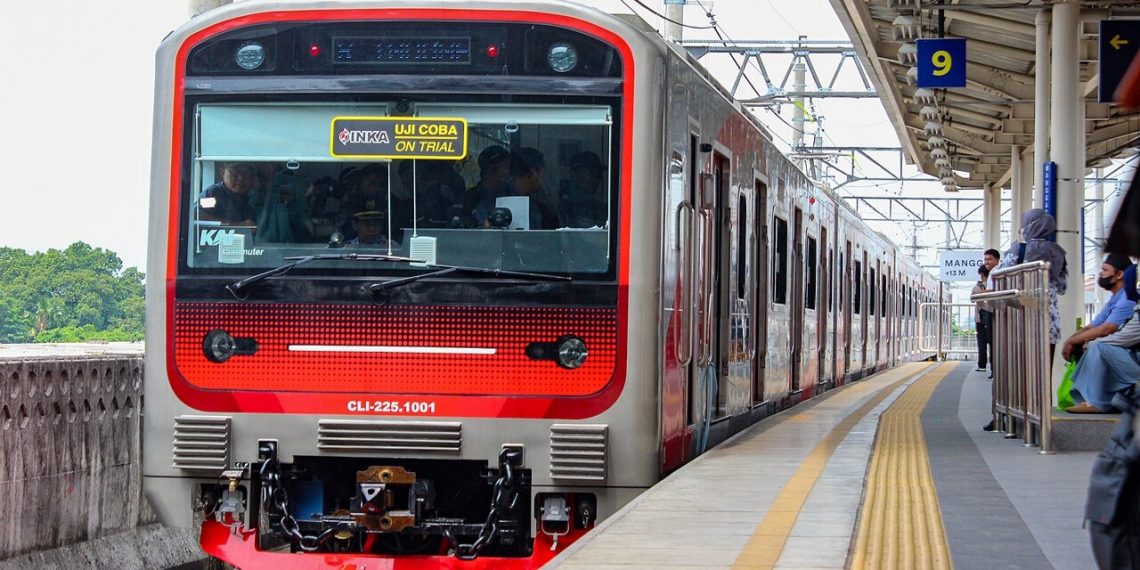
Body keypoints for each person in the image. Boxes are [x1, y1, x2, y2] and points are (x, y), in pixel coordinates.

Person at [984, 208, 1068, 432]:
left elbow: (999, 276)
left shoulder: (1018, 249)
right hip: (1048, 323)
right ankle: (1041, 420)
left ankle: (1007, 418)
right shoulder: (1058, 252)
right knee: (1043, 374)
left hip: (1018, 322)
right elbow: (1062, 287)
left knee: (1012, 371)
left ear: (1028, 226)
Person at [1065, 264, 1140, 413]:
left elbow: (1119, 335)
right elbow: (1096, 325)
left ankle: (1094, 401)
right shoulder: (1119, 300)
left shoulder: (1128, 303)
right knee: (1099, 348)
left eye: (1105, 270)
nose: (1100, 273)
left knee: (1098, 348)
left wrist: (1090, 343)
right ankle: (1101, 400)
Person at [1061, 253, 1138, 362]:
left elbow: (1107, 329)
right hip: (1117, 354)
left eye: (1105, 270)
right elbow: (1092, 326)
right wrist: (1071, 340)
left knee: (1095, 347)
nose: (1100, 273)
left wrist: (1072, 341)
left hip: (1131, 356)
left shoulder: (1127, 297)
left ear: (1120, 274)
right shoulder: (1115, 298)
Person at [473, 148, 557, 230]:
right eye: (543, 173)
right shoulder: (493, 201)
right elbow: (480, 231)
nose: (544, 179)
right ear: (534, 173)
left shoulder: (540, 206)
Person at [558, 150, 608, 228]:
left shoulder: (594, 203)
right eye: (591, 175)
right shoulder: (570, 204)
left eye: (599, 175)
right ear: (575, 175)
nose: (596, 180)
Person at [464, 145, 511, 221]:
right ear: (491, 169)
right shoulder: (469, 198)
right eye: (505, 167)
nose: (508, 172)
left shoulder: (511, 195)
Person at [972, 265, 992, 372]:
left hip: (980, 318)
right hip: (993, 317)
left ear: (982, 274)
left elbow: (972, 299)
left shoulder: (977, 287)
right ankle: (994, 366)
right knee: (993, 343)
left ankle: (982, 365)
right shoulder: (995, 285)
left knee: (982, 342)